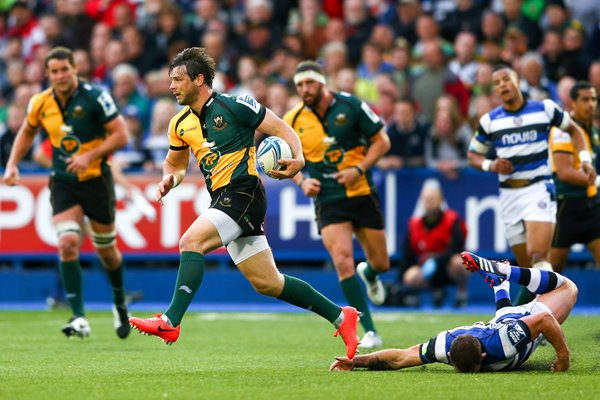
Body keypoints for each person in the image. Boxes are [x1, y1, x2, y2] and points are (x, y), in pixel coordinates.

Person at [127, 47, 360, 359]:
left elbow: (280, 126)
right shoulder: (179, 123)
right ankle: (342, 316)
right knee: (268, 283)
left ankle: (170, 320)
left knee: (190, 242)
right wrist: (171, 179)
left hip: (243, 191)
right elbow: (175, 163)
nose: (171, 86)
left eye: (178, 79)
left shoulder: (235, 105)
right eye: (171, 80)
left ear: (199, 79)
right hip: (223, 197)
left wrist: (299, 158)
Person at [2, 46, 131, 339]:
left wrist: (90, 155)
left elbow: (121, 135)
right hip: (63, 182)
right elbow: (26, 131)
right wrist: (11, 164)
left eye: (65, 69)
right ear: (47, 74)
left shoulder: (96, 97)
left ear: (75, 69)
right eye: (54, 71)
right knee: (68, 243)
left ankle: (119, 301)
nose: (60, 76)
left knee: (107, 251)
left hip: (97, 180)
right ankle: (78, 317)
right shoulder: (40, 102)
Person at [283, 60, 391, 350]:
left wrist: (359, 169)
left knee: (381, 262)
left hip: (360, 191)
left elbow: (382, 141)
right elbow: (284, 162)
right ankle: (369, 330)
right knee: (343, 260)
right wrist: (302, 182)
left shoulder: (351, 105)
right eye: (299, 85)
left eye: (309, 83)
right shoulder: (292, 119)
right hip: (328, 198)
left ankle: (368, 274)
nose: (305, 89)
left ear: (322, 82)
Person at [466, 64, 596, 305]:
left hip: (539, 188)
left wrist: (585, 160)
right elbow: (473, 154)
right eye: (496, 83)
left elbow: (575, 131)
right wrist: (491, 165)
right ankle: (536, 322)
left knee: (539, 255)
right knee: (528, 270)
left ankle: (519, 318)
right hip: (509, 195)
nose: (502, 85)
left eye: (506, 79)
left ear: (517, 81)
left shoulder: (544, 108)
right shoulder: (490, 121)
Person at [330, 251, 576, 373]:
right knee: (562, 290)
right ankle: (501, 283)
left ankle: (503, 273)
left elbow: (401, 357)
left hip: (509, 323)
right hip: (505, 324)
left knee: (568, 289)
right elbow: (400, 357)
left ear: (449, 357)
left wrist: (563, 357)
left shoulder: (445, 346)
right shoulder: (493, 342)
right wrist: (356, 362)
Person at [550, 81, 600, 271]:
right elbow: (564, 172)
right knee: (551, 269)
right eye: (585, 99)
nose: (590, 104)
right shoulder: (563, 130)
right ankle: (525, 302)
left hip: (591, 205)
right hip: (566, 206)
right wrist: (596, 181)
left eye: (593, 99)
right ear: (573, 103)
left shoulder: (593, 131)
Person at [398, 179, 470, 308]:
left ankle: (461, 294)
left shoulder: (453, 220)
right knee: (410, 275)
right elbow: (407, 255)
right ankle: (435, 291)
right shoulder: (414, 224)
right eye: (426, 200)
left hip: (448, 267)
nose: (429, 203)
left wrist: (436, 260)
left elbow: (457, 248)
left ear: (441, 200)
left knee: (459, 262)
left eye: (433, 199)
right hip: (427, 270)